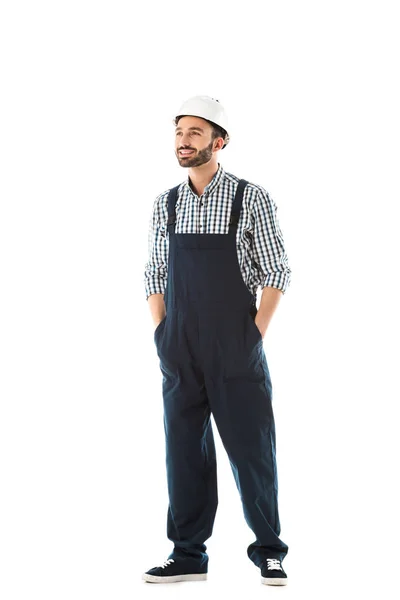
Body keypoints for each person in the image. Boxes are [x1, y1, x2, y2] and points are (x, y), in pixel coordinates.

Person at [142, 95, 291, 586]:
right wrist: (162, 331)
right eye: (179, 133)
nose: (184, 142)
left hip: (235, 344)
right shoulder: (166, 203)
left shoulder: (251, 197)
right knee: (183, 451)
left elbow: (276, 271)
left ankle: (269, 550)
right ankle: (187, 553)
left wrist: (253, 335)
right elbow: (155, 271)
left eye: (195, 134)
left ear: (219, 142)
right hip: (179, 344)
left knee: (252, 450)